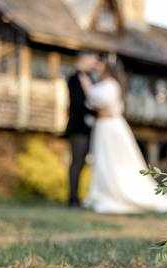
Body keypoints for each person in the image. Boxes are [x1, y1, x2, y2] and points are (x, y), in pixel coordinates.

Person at [80, 57, 167, 214]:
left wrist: (84, 81)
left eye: (101, 64)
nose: (98, 66)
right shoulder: (105, 84)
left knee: (115, 161)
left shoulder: (111, 85)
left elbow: (94, 99)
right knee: (102, 160)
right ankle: (101, 193)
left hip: (110, 126)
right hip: (103, 126)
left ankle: (113, 193)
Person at [64, 51, 99, 208]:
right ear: (83, 59)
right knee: (77, 162)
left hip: (91, 129)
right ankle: (73, 198)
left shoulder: (91, 78)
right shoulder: (73, 79)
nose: (94, 63)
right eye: (92, 60)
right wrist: (96, 111)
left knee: (85, 164)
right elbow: (77, 105)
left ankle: (84, 196)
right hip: (78, 128)